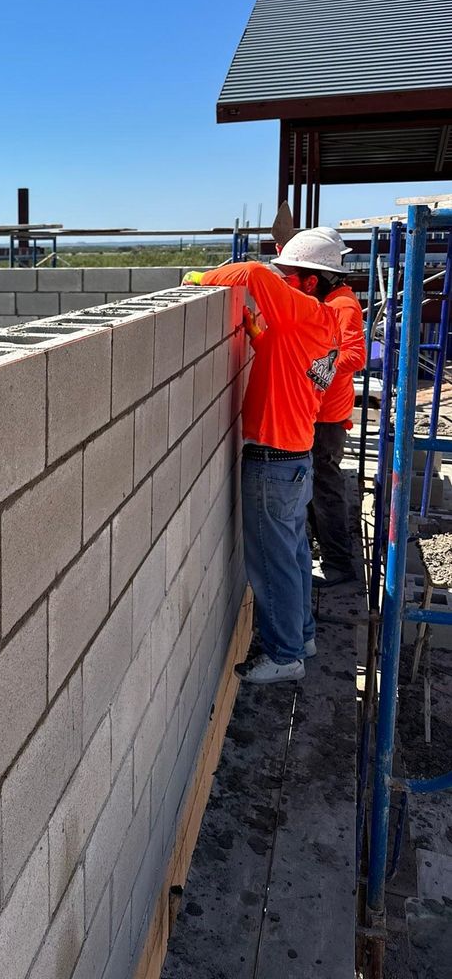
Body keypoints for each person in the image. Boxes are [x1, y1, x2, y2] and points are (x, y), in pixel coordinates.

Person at [184, 229, 344, 684]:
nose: (281, 282)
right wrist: (258, 336)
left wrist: (200, 280)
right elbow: (290, 362)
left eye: (287, 276)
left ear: (310, 282)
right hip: (294, 458)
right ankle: (302, 636)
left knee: (273, 564)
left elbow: (253, 272)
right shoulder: (325, 321)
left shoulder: (304, 311)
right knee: (293, 555)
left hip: (274, 460)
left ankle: (285, 655)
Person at [284, 230, 365, 587]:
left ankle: (338, 565)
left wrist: (310, 369)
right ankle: (327, 553)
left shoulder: (341, 306)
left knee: (325, 490)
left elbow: (355, 356)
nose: (294, 285)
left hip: (326, 417)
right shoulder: (329, 301)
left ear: (315, 279)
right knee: (317, 486)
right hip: (320, 412)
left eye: (297, 278)